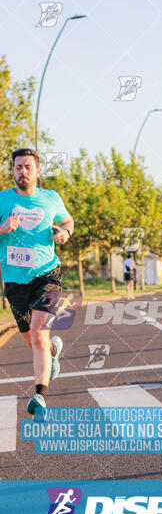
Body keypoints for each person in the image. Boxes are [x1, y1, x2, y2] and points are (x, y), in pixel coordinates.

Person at [0, 148, 74, 420]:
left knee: (39, 333)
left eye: (28, 166)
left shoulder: (50, 198)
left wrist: (65, 231)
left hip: (47, 274)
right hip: (14, 281)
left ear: (38, 171)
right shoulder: (2, 200)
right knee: (34, 341)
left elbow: (68, 220)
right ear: (13, 171)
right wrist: (3, 228)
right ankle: (54, 350)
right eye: (18, 167)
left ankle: (40, 396)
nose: (23, 171)